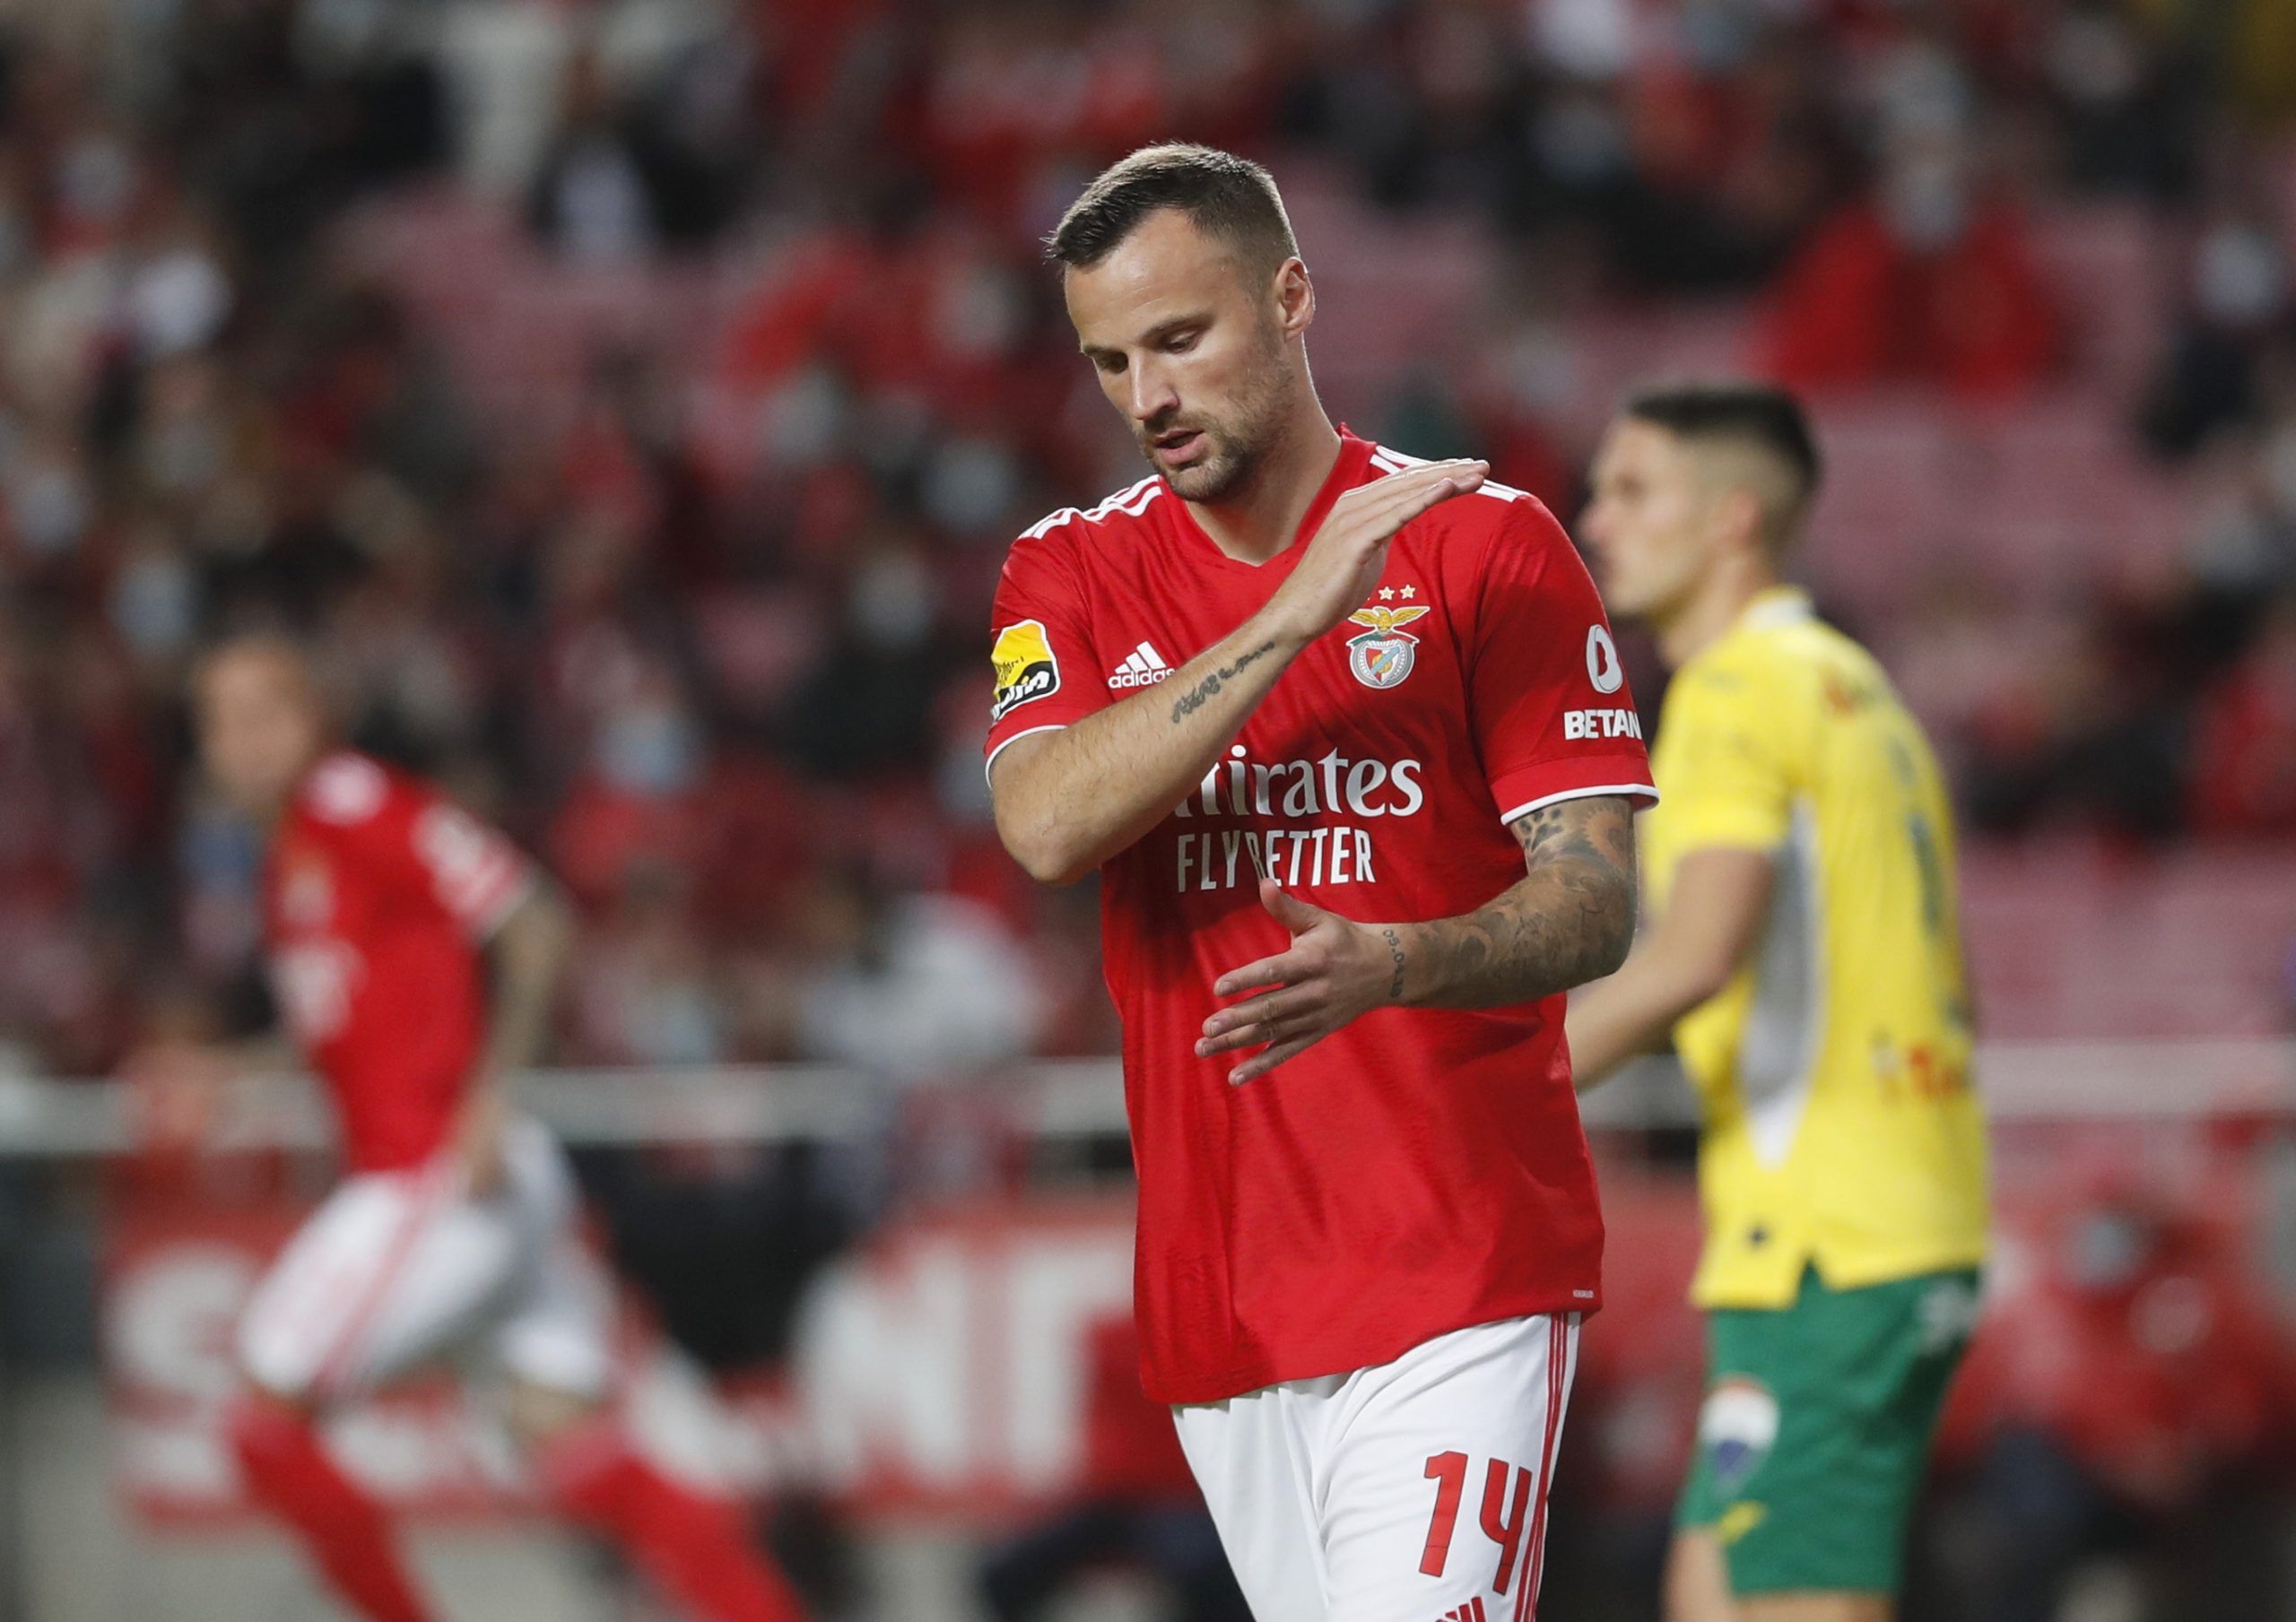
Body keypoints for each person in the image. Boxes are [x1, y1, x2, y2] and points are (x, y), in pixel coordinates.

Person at [984, 143, 1654, 1621]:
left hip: (1456, 1271)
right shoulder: (1069, 573)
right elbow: (1044, 823)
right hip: (1224, 1310)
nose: (1148, 395)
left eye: (1181, 338)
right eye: (1111, 361)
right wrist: (1291, 618)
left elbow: (1598, 897)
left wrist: (1397, 960)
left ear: (1291, 296)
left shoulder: (1486, 544)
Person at [142, 634, 807, 1622]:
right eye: (223, 721)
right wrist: (228, 1071)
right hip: (495, 1181)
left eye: (266, 712)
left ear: (316, 717)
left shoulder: (354, 804)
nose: (245, 739)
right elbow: (336, 1028)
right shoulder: (294, 853)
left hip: (440, 1172)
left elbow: (533, 919)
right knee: (575, 1451)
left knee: (260, 1419)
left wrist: (491, 1093)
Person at [1566, 384, 1991, 1622]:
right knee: (1707, 1589)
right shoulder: (1857, 687)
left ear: (1732, 519)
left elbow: (1693, 957)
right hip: (1897, 1214)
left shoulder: (1735, 691)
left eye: (1632, 490)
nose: (1595, 521)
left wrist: (1473, 1090)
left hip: (1825, 1244)